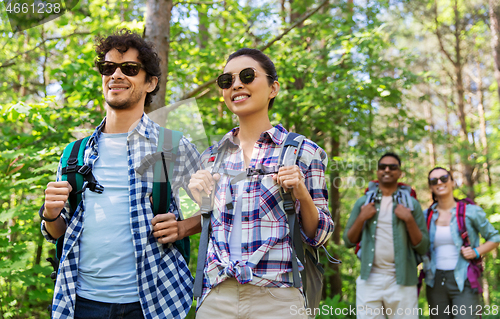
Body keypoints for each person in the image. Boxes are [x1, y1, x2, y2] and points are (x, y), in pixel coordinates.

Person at [40, 29, 201, 319]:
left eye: (129, 68)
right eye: (108, 67)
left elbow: (220, 212)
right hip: (79, 302)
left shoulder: (173, 147)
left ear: (150, 82)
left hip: (153, 302)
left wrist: (182, 228)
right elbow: (57, 232)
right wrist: (50, 214)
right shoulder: (74, 153)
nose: (115, 74)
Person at [187, 48, 334, 318]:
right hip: (216, 297)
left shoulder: (303, 152)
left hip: (278, 297)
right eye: (226, 80)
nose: (237, 85)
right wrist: (198, 196)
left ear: (273, 88)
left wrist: (300, 192)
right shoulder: (210, 156)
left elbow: (319, 234)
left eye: (247, 75)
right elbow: (204, 223)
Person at [343, 152, 429, 319]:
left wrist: (409, 219)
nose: (387, 170)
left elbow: (423, 246)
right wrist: (362, 217)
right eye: (382, 167)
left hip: (403, 280)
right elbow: (348, 241)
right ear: (377, 172)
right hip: (369, 280)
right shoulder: (364, 202)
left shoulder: (411, 204)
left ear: (400, 172)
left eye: (392, 167)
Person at [424, 167, 500, 319]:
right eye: (434, 181)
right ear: (431, 187)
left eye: (444, 178)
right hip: (435, 281)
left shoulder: (470, 211)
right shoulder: (427, 215)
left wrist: (476, 251)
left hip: (464, 279)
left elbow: (495, 237)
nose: (439, 182)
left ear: (452, 182)